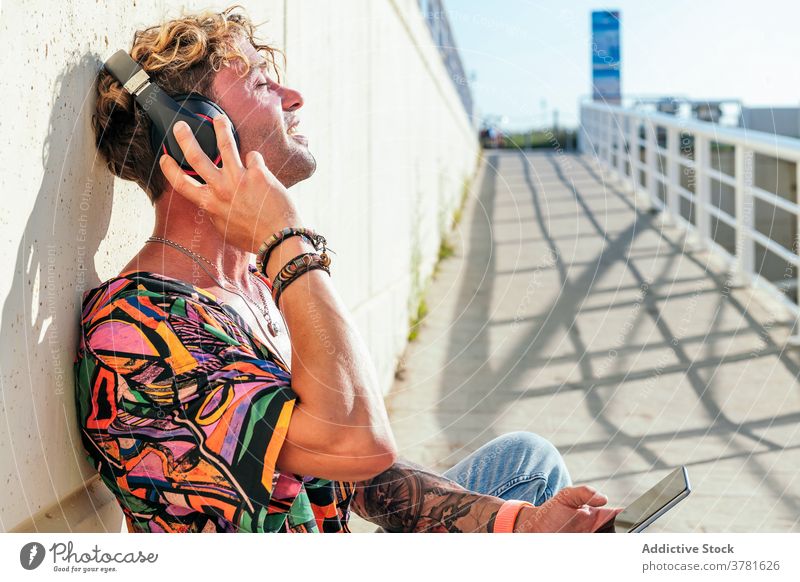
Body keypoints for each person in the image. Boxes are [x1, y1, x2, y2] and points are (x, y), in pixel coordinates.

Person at [76, 6, 620, 533]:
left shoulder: (257, 284)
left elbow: (360, 478)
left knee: (527, 467)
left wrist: (516, 525)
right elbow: (357, 442)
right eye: (265, 85)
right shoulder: (135, 328)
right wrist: (285, 239)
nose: (294, 97)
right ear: (192, 133)